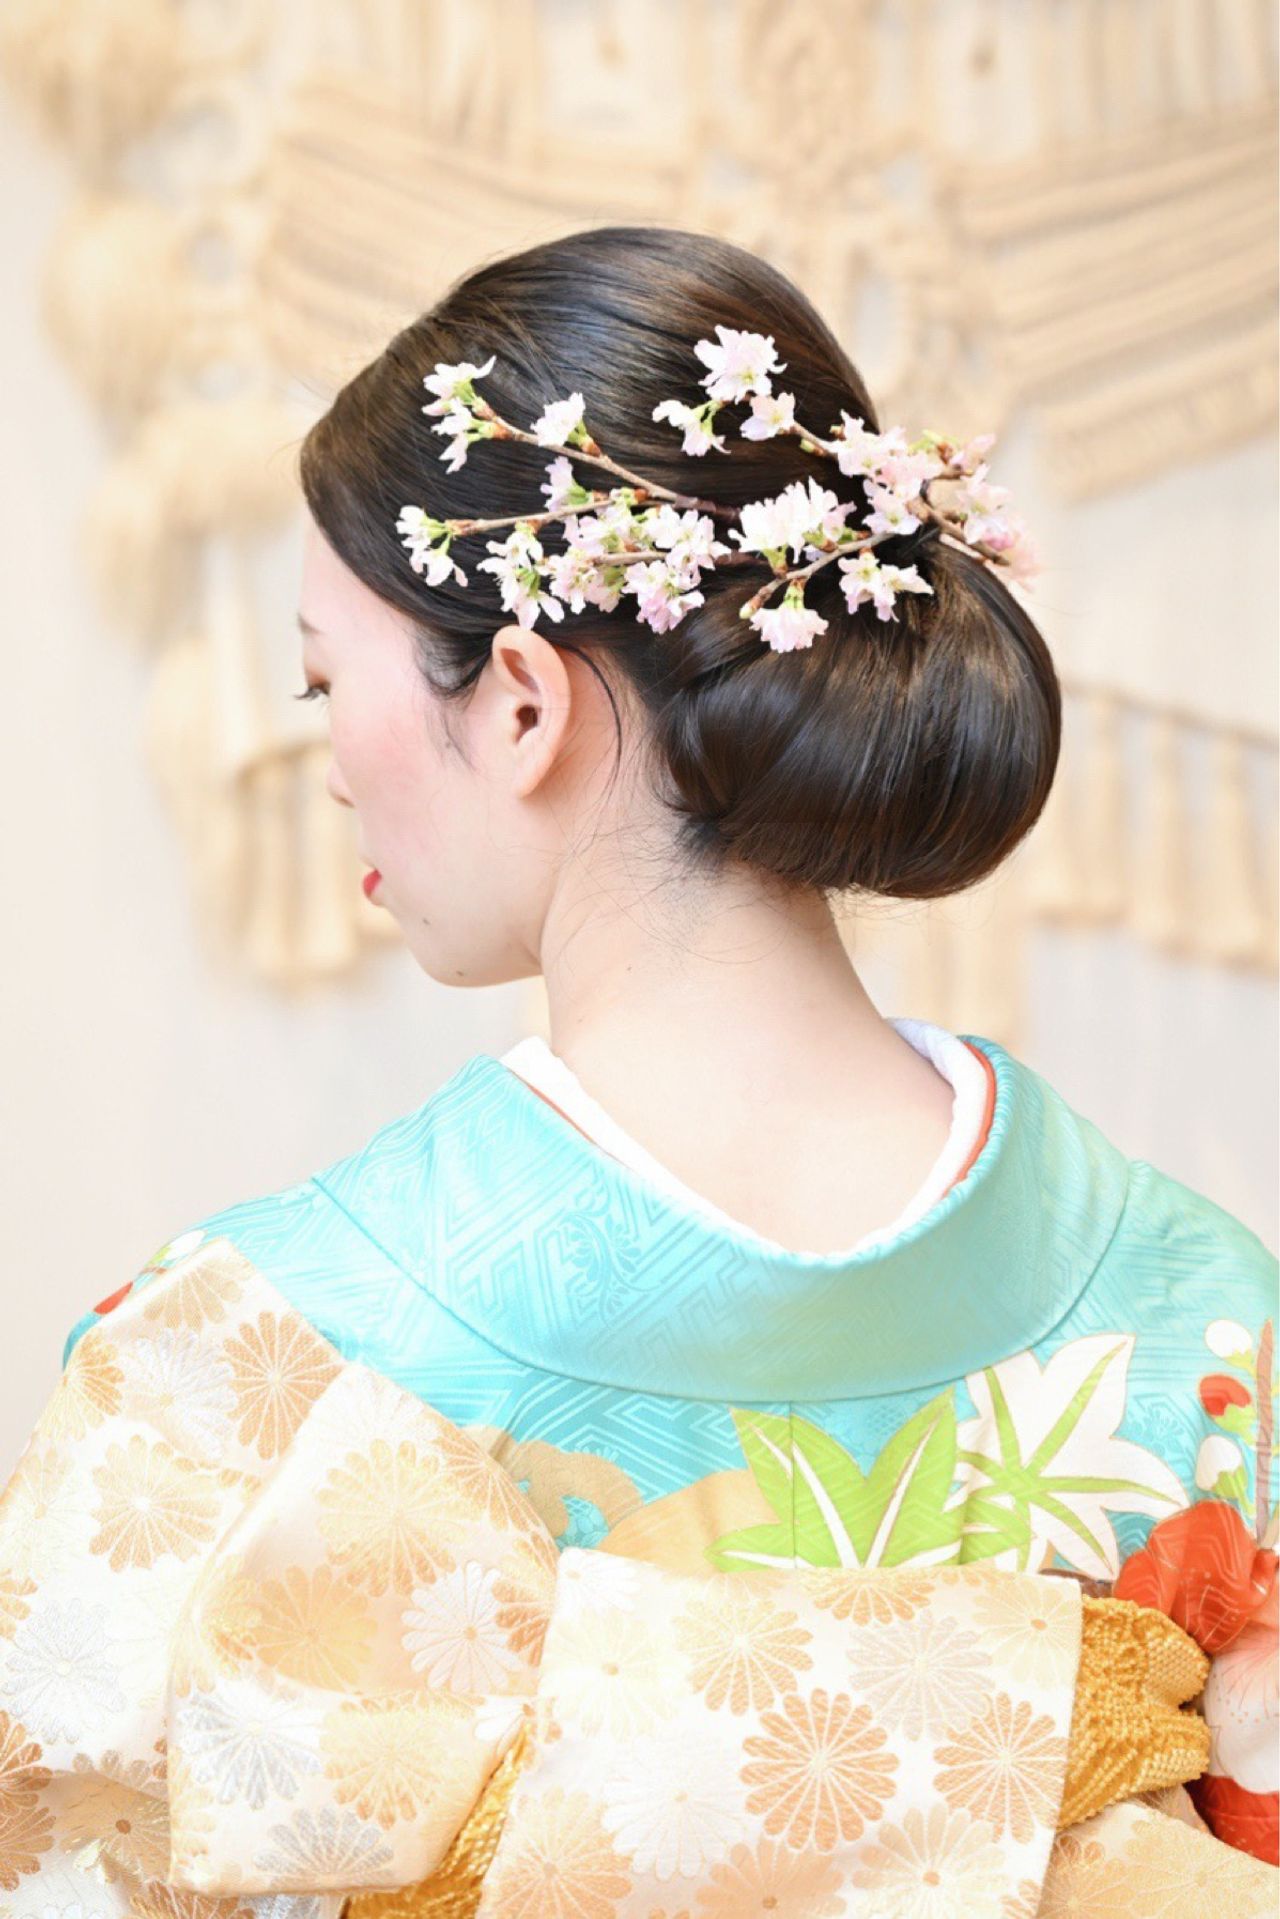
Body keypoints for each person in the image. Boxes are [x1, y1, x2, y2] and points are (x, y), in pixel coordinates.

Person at [1, 226, 1275, 1916]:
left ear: (523, 703)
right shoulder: (1220, 1333)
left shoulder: (242, 1373)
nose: (333, 769)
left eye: (323, 683)